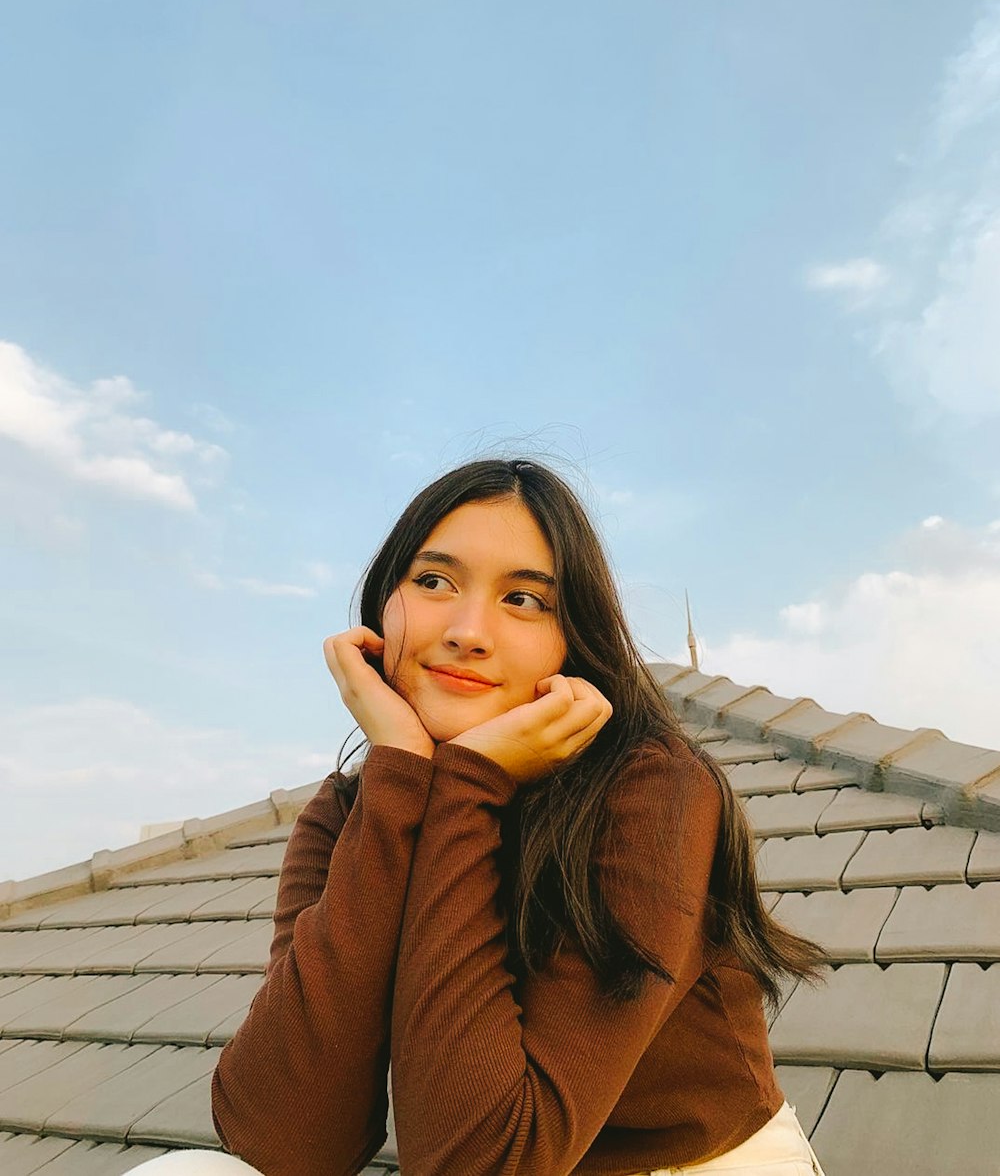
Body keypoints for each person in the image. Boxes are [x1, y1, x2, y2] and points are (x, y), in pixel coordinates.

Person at [136, 458, 827, 1176]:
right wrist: (403, 772)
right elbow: (287, 1143)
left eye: (524, 598)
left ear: (572, 639)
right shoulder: (349, 814)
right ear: (382, 608)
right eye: (433, 581)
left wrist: (470, 784)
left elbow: (487, 1161)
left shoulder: (651, 788)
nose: (468, 631)